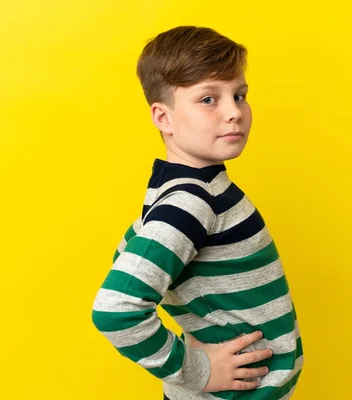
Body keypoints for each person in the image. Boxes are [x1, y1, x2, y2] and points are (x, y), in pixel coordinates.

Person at [92, 25, 304, 400]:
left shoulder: (190, 191)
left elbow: (131, 254)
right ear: (164, 118)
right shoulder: (189, 202)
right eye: (208, 99)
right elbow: (116, 309)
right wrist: (197, 369)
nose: (233, 112)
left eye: (239, 95)